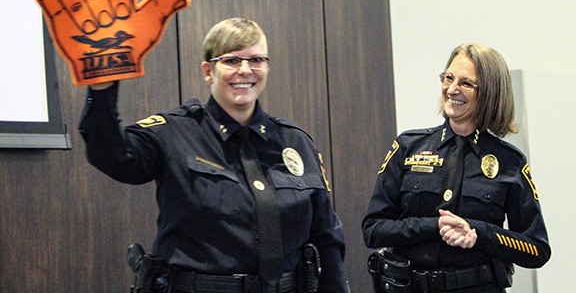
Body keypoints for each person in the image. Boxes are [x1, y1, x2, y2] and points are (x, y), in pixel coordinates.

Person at [79, 18, 348, 293]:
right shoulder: (173, 132)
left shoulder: (294, 140)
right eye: (231, 61)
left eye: (256, 60)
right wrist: (102, 90)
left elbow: (326, 235)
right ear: (208, 71)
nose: (245, 70)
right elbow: (114, 157)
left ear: (266, 67)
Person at [362, 44, 551, 293]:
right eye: (448, 78)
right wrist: (433, 227)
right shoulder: (408, 146)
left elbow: (536, 250)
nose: (452, 89)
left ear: (489, 93)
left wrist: (480, 233)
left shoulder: (509, 161)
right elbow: (373, 230)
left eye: (466, 83)